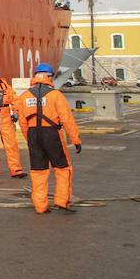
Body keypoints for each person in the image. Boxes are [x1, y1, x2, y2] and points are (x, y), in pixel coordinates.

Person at [18, 63, 82, 214]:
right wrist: (76, 140)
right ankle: (62, 201)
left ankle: (40, 206)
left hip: (33, 134)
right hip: (52, 134)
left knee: (38, 171)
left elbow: (22, 122)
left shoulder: (25, 96)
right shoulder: (55, 95)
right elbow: (66, 119)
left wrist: (30, 139)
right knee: (62, 169)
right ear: (49, 76)